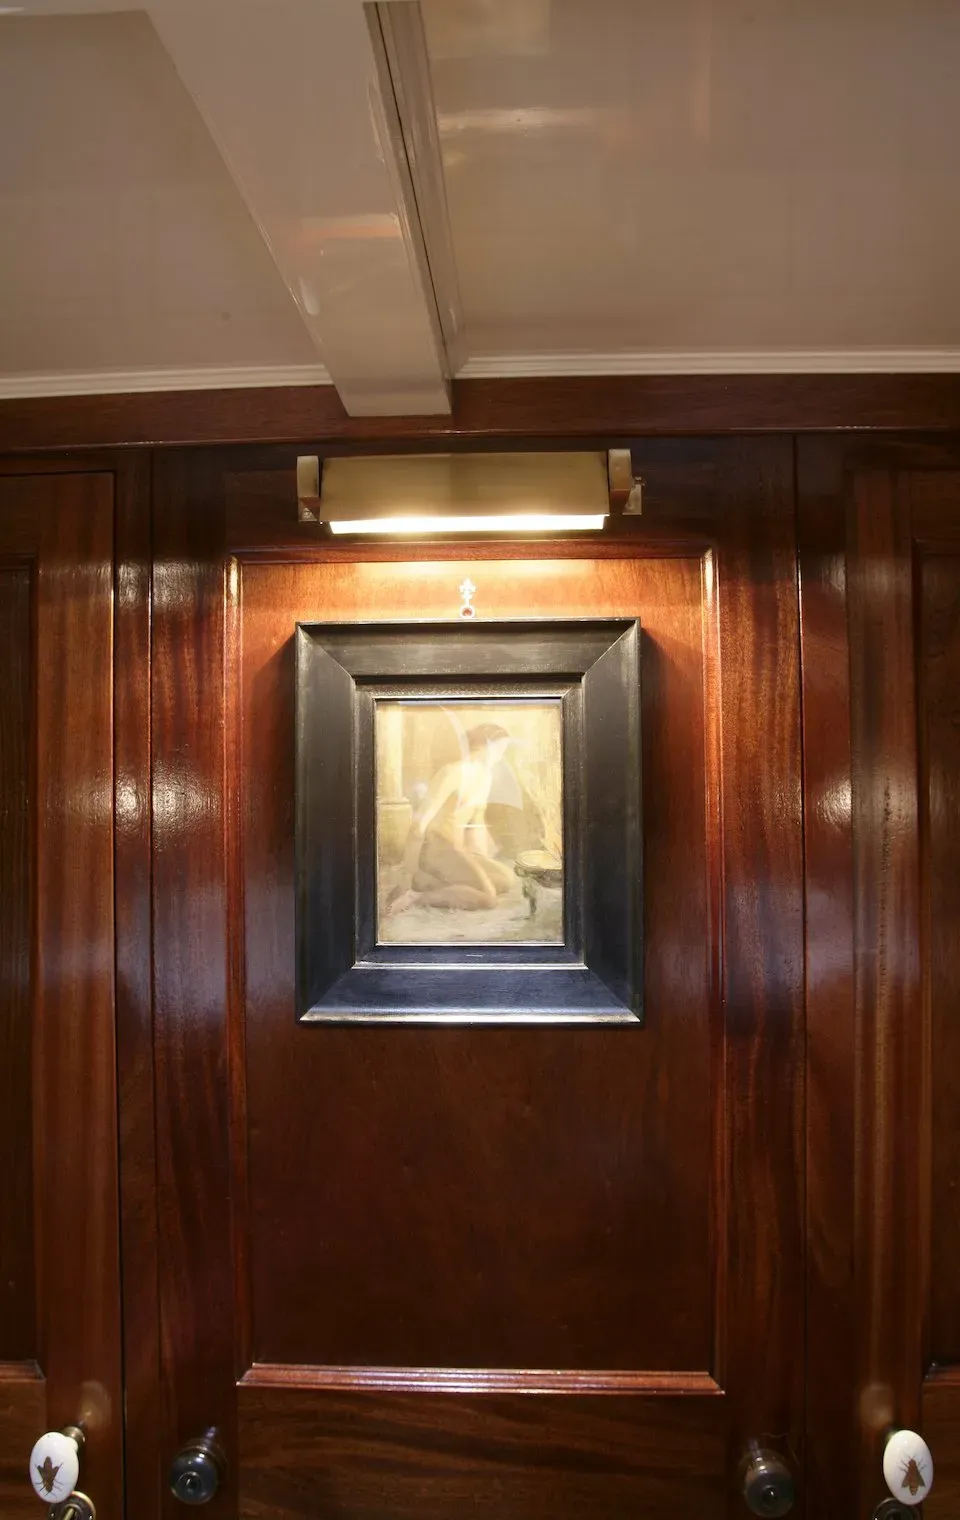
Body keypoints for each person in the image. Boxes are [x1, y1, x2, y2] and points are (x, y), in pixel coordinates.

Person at [385, 722, 517, 915]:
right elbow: (419, 825)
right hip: (438, 848)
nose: (500, 757)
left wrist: (479, 858)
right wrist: (408, 871)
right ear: (481, 746)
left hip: (459, 849)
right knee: (488, 898)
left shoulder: (485, 776)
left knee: (505, 879)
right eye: (498, 749)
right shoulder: (452, 773)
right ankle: (417, 897)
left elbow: (476, 822)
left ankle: (432, 882)